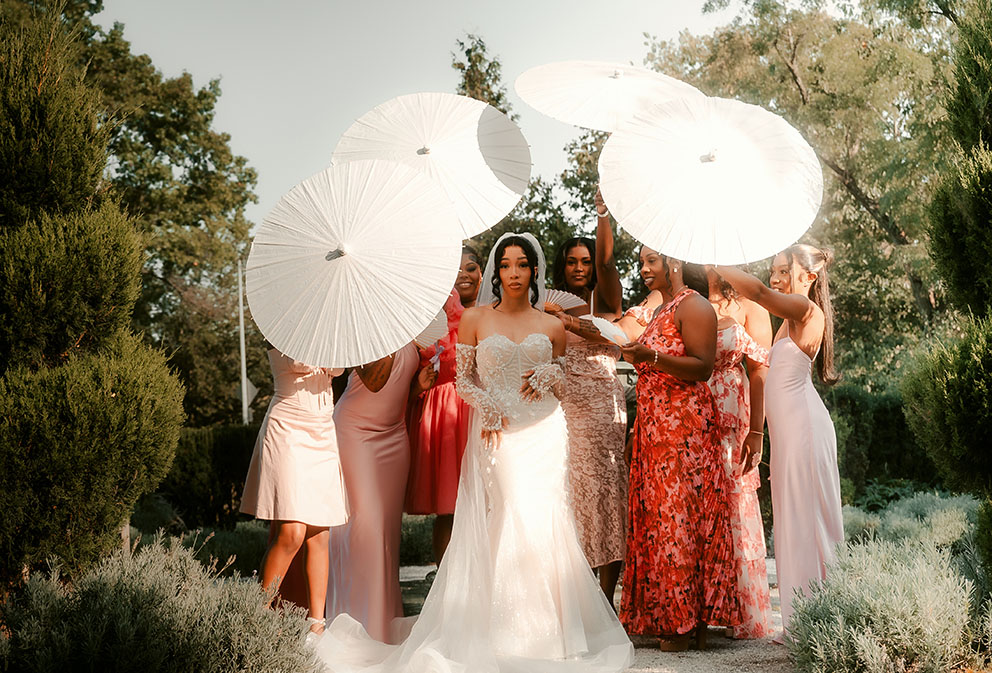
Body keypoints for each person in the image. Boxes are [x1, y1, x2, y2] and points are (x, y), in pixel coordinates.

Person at [316, 232, 633, 673]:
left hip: (545, 433)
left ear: (535, 271)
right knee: (510, 512)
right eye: (505, 266)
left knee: (548, 519)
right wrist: (489, 407)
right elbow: (465, 381)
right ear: (496, 273)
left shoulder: (553, 325)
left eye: (522, 265)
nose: (514, 273)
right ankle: (506, 631)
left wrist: (546, 377)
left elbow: (562, 384)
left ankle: (554, 634)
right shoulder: (476, 320)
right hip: (498, 433)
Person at [715, 244, 843, 640]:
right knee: (791, 520)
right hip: (787, 435)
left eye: (784, 270)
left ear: (809, 277)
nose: (775, 276)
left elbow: (757, 294)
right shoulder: (787, 323)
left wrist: (717, 262)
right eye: (772, 269)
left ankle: (824, 619)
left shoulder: (807, 313)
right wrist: (757, 433)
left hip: (805, 429)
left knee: (808, 520)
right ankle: (800, 619)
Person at [617, 247, 739, 651]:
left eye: (650, 260)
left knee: (680, 520)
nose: (643, 269)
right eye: (640, 261)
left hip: (684, 430)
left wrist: (650, 355)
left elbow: (702, 367)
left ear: (672, 261)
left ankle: (685, 624)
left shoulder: (696, 306)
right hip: (655, 430)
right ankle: (675, 617)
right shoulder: (659, 310)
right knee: (664, 520)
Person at [548, 189, 628, 607]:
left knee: (608, 494)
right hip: (563, 409)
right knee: (570, 494)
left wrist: (602, 214)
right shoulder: (549, 305)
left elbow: (607, 262)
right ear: (562, 266)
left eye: (585, 261)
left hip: (603, 409)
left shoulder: (605, 299)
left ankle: (606, 599)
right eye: (572, 261)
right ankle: (575, 595)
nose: (580, 267)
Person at [326, 343, 430, 644]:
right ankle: (356, 622)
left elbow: (397, 392)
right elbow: (374, 383)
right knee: (365, 528)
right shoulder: (365, 334)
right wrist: (386, 344)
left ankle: (384, 623)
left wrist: (418, 385)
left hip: (394, 437)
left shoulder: (409, 332)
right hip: (355, 434)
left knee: (386, 534)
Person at [240, 348, 345, 636]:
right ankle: (256, 621)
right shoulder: (284, 323)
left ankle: (317, 628)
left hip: (323, 428)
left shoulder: (328, 330)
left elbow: (339, 368)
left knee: (319, 535)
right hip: (288, 426)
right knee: (292, 533)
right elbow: (297, 361)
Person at [702, 266, 774, 639]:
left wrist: (757, 431)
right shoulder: (692, 300)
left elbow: (760, 370)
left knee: (737, 505)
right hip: (696, 413)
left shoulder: (750, 304)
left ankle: (743, 611)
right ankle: (705, 606)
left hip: (735, 411)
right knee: (703, 505)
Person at [405, 246, 481, 565]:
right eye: (456, 268)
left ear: (482, 274)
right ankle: (445, 586)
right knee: (449, 508)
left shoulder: (495, 313)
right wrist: (419, 384)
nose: (464, 274)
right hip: (444, 412)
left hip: (480, 409)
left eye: (472, 267)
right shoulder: (429, 317)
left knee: (484, 504)